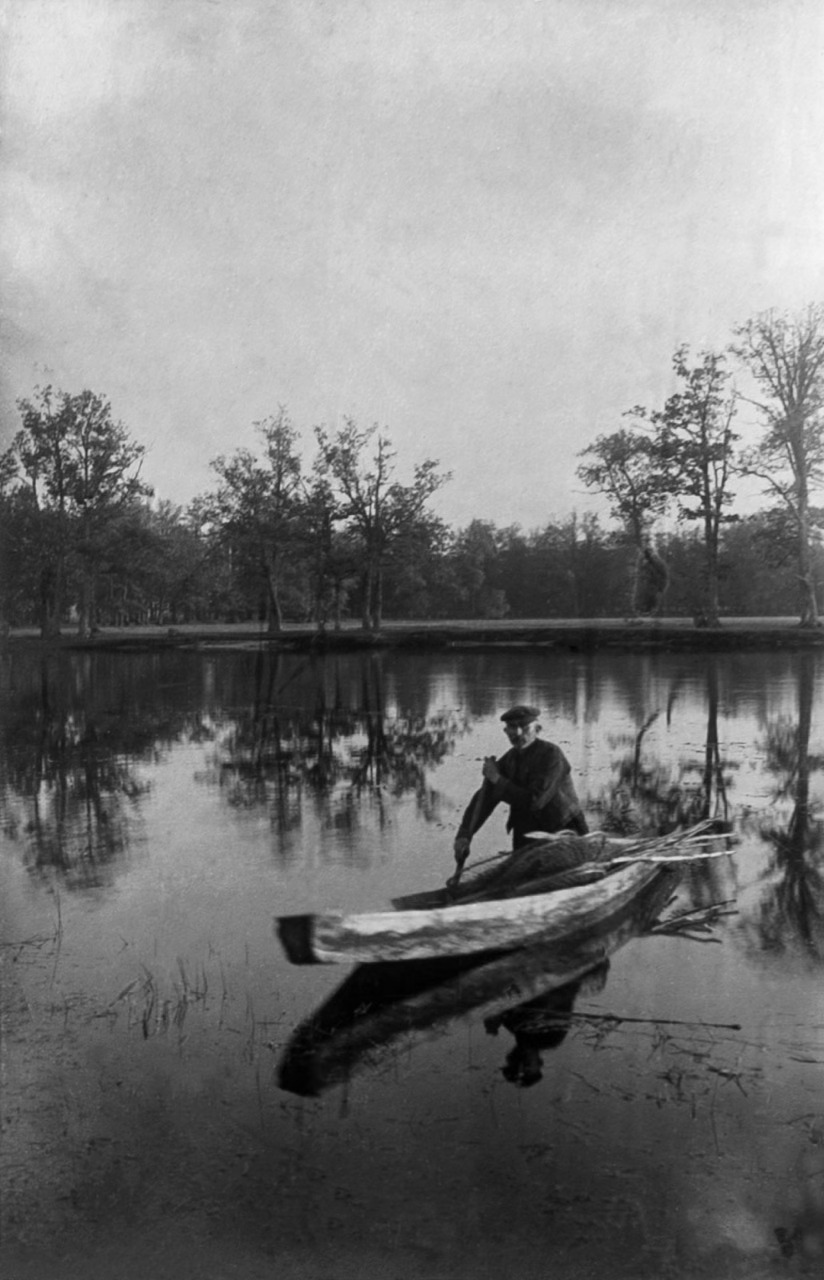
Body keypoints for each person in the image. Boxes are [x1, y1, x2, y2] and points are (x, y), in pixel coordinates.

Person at [453, 705, 588, 881]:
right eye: (512, 728)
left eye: (524, 728)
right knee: (519, 881)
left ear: (537, 729)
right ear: (505, 731)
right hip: (527, 834)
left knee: (561, 881)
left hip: (562, 832)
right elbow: (485, 798)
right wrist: (464, 835)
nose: (517, 733)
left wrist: (497, 779)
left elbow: (536, 801)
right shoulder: (509, 759)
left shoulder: (551, 755)